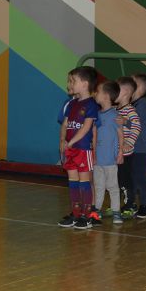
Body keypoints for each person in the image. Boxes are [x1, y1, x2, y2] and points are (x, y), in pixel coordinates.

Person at [58, 66, 98, 229]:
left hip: (82, 149)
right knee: (72, 181)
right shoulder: (71, 103)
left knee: (84, 182)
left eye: (73, 81)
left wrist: (72, 141)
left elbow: (86, 127)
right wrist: (62, 140)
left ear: (85, 84)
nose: (69, 84)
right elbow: (66, 123)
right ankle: (75, 214)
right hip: (70, 149)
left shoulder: (91, 105)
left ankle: (87, 216)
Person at [91, 81, 124, 225]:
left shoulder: (115, 115)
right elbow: (94, 135)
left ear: (105, 96)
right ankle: (96, 210)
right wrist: (93, 153)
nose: (95, 94)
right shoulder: (96, 115)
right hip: (98, 159)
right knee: (98, 186)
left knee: (112, 187)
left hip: (110, 159)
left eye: (97, 91)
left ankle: (116, 212)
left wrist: (120, 152)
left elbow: (120, 134)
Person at [115, 76, 141, 219]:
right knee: (116, 180)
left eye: (116, 90)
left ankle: (130, 204)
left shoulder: (130, 110)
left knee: (125, 180)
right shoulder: (114, 109)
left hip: (125, 153)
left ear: (125, 93)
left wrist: (129, 142)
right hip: (114, 152)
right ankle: (116, 205)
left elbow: (137, 126)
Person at [131, 73, 146, 218]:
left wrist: (123, 121)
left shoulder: (143, 104)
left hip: (140, 148)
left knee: (139, 178)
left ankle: (144, 205)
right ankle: (131, 203)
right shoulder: (133, 104)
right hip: (131, 148)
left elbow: (137, 125)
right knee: (131, 177)